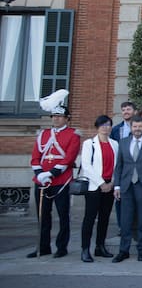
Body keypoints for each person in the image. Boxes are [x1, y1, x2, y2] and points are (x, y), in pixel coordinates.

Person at [28, 98, 81, 259]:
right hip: (42, 181)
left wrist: (50, 174)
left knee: (63, 215)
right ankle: (43, 247)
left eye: (59, 116)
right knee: (42, 216)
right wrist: (39, 174)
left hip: (61, 180)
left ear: (67, 118)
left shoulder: (73, 135)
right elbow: (35, 157)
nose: (56, 119)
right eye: (53, 116)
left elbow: (69, 159)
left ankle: (61, 247)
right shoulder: (43, 134)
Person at [112, 115, 142, 262]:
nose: (138, 129)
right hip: (126, 185)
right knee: (126, 219)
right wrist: (117, 185)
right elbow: (119, 166)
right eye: (135, 126)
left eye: (140, 126)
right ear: (131, 127)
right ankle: (123, 250)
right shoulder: (123, 142)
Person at [78, 115, 118, 262]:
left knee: (104, 218)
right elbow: (87, 166)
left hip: (110, 185)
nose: (105, 128)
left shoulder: (115, 144)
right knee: (89, 218)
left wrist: (112, 183)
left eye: (108, 125)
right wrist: (102, 183)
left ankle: (100, 246)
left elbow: (116, 166)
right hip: (94, 186)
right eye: (102, 125)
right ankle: (85, 249)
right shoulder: (90, 144)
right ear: (97, 127)